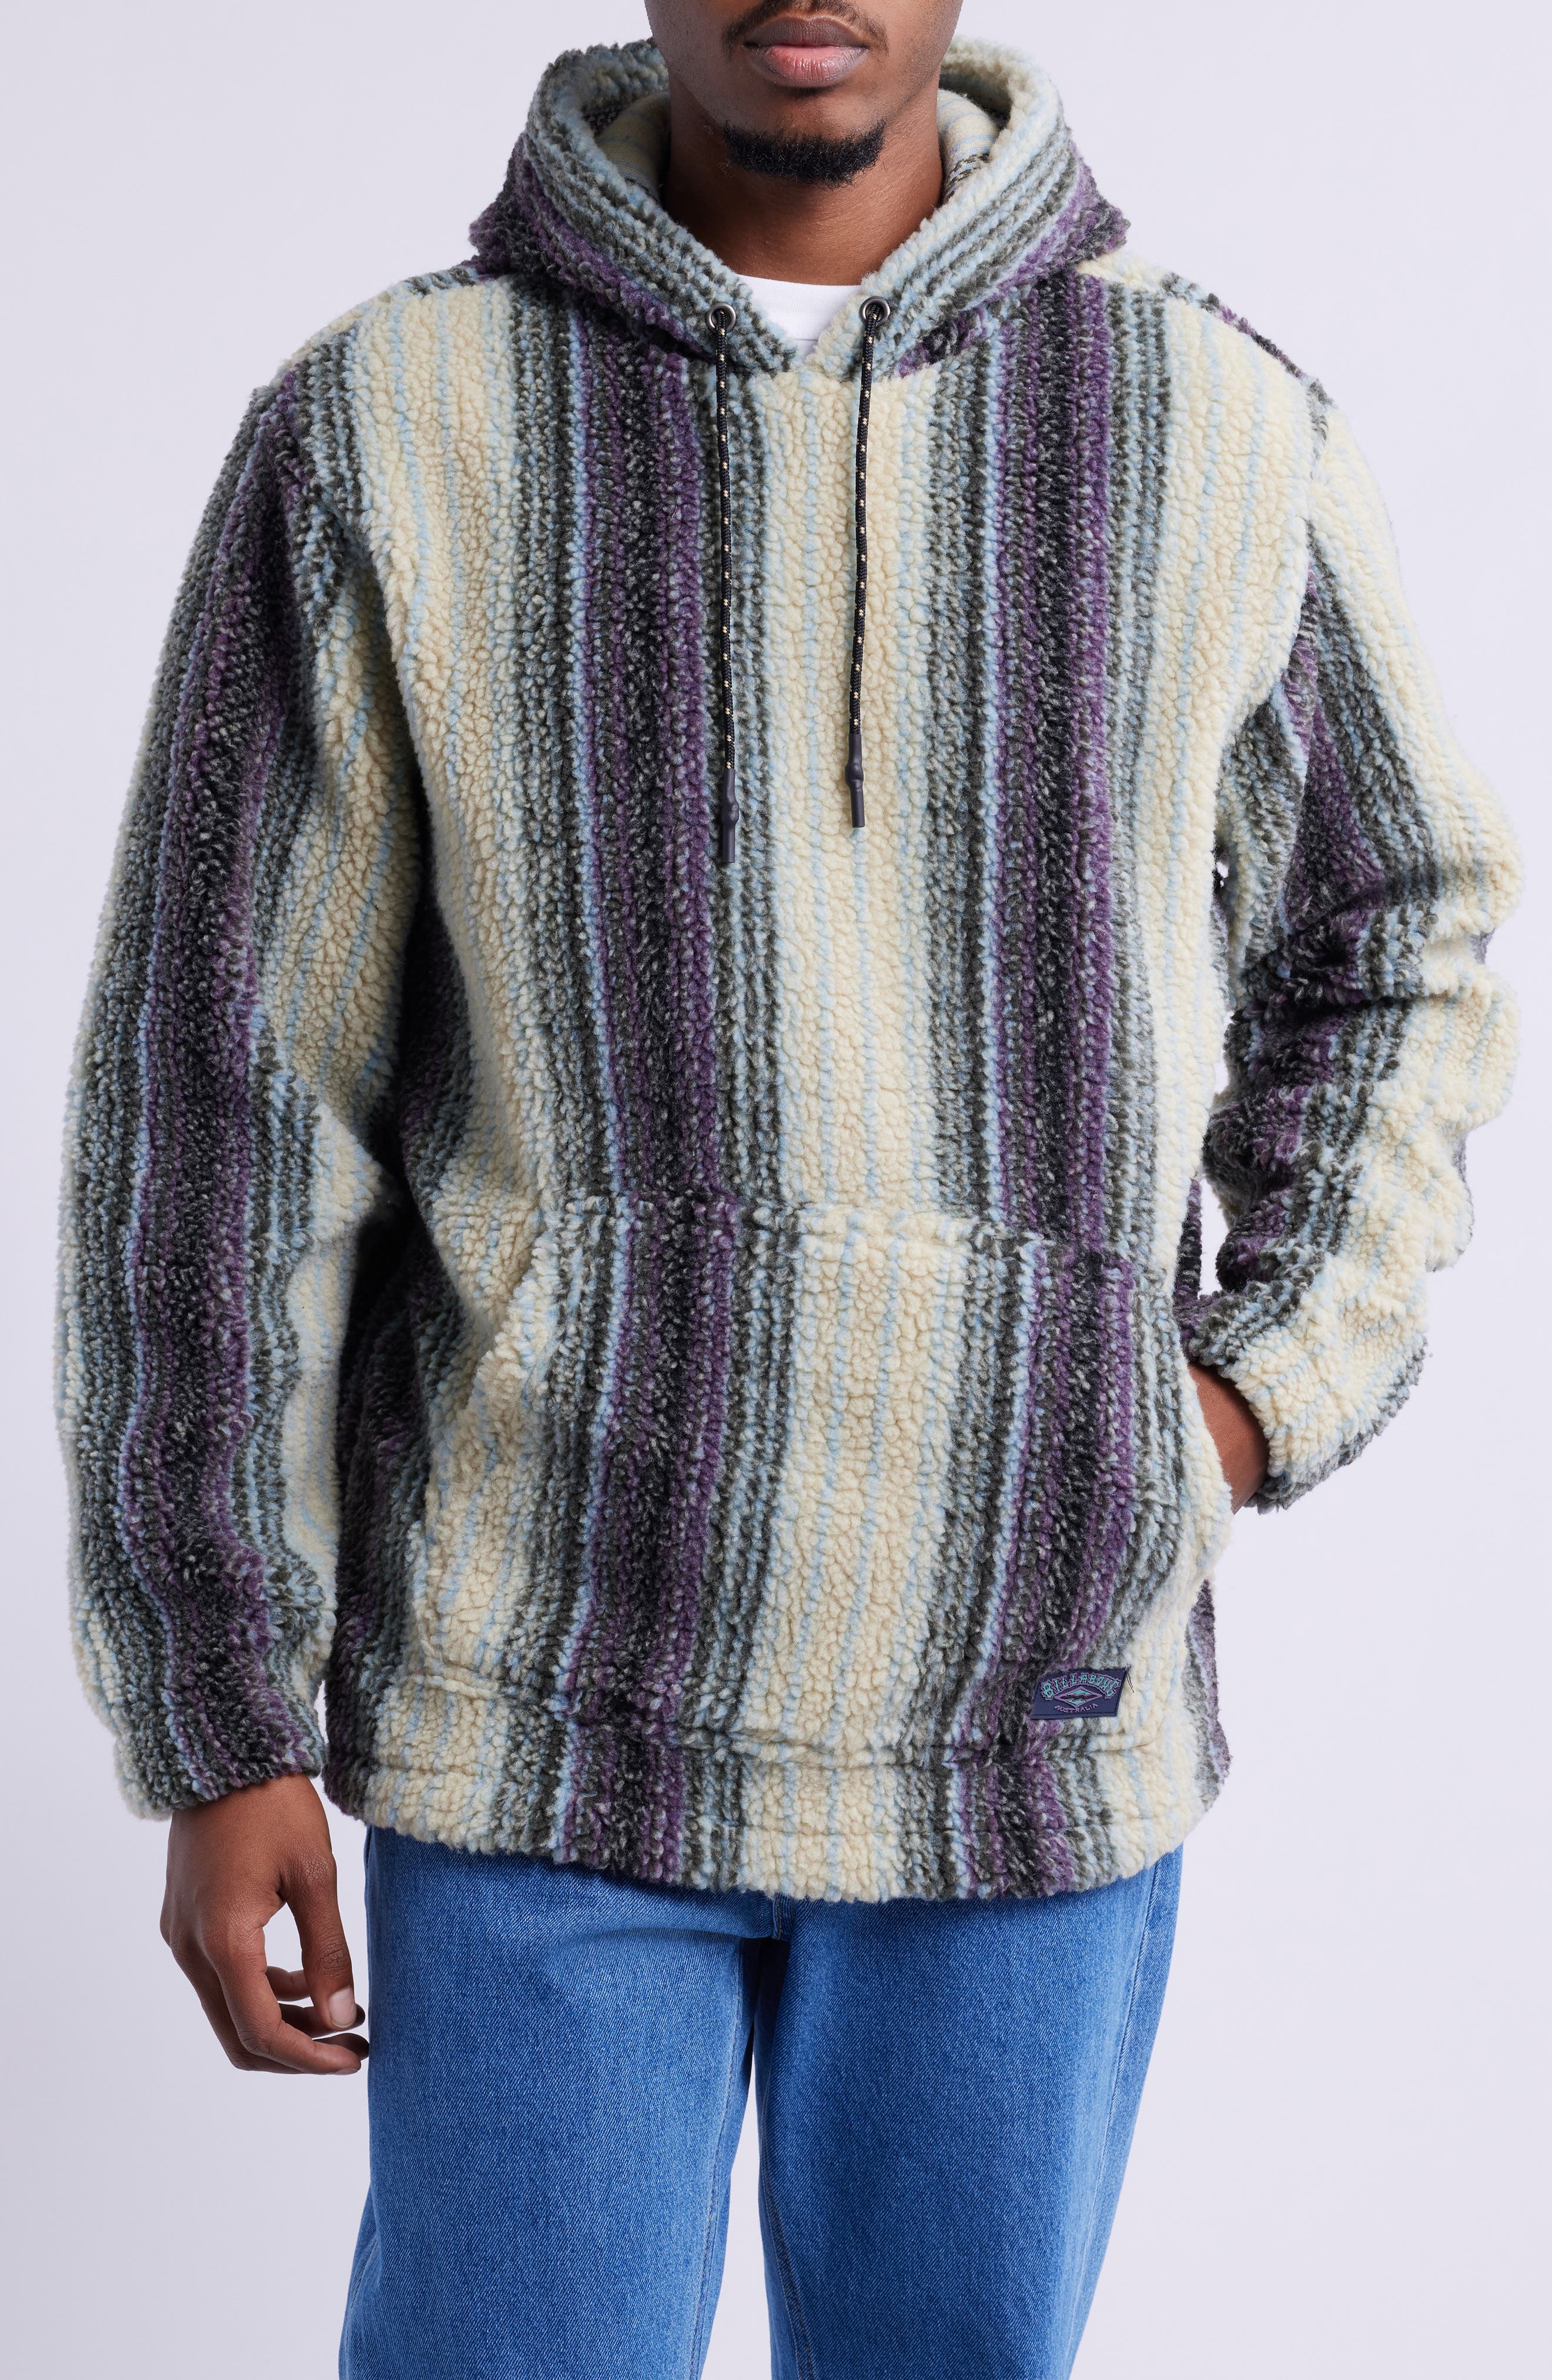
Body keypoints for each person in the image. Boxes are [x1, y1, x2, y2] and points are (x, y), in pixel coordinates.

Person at [57, 2, 1520, 2373]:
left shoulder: (1215, 425)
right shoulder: (388, 423)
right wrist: (222, 1716)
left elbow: (1407, 930)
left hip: (1031, 1696)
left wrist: (1246, 1394)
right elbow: (221, 1089)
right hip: (534, 1691)